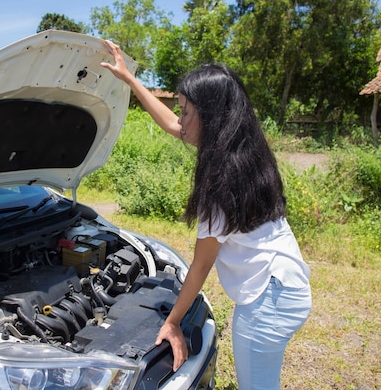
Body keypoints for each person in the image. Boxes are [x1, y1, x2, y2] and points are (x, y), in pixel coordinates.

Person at [100, 40, 312, 390]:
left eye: (186, 111)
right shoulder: (244, 149)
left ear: (210, 117)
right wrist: (129, 80)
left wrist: (172, 322)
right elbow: (171, 124)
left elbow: (200, 268)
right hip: (287, 287)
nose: (180, 119)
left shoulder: (222, 185)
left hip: (267, 304)